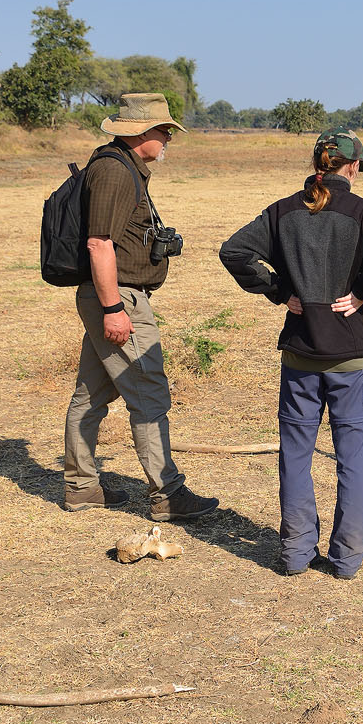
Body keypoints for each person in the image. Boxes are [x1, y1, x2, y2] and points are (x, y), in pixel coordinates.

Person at [219, 127, 363, 579]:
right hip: (351, 358)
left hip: (300, 356)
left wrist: (280, 291)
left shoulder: (282, 210)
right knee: (353, 460)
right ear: (350, 167)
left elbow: (234, 252)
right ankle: (345, 562)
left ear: (316, 166)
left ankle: (294, 555)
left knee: (296, 455)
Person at [63, 93, 218, 523]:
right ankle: (166, 494)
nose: (169, 137)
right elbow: (99, 243)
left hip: (113, 296)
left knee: (91, 393)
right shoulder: (114, 171)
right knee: (148, 393)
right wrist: (114, 308)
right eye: (163, 129)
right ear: (138, 133)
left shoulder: (119, 165)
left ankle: (80, 486)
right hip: (119, 297)